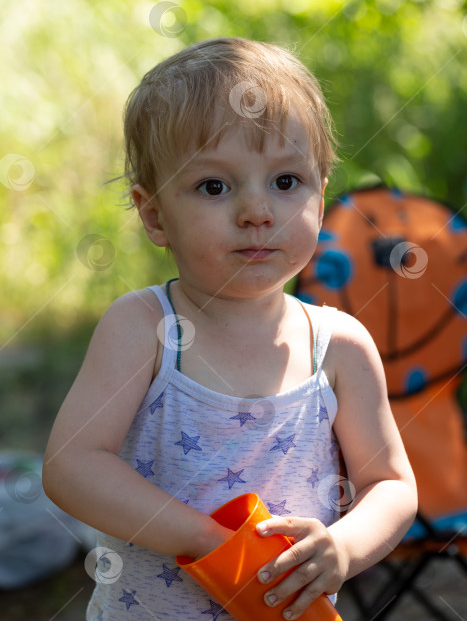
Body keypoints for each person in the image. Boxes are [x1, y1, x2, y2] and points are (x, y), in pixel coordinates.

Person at [43, 37, 417, 620]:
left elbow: (390, 486)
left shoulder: (338, 347)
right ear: (154, 214)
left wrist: (343, 547)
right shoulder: (144, 329)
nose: (256, 211)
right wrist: (199, 537)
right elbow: (72, 465)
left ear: (321, 194)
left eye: (286, 182)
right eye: (214, 187)